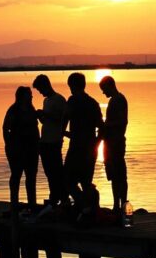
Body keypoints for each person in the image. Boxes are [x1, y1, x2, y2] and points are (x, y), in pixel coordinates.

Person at [63, 72, 103, 217]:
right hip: (90, 149)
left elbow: (65, 119)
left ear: (73, 86)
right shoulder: (93, 103)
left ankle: (83, 205)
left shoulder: (72, 101)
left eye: (70, 86)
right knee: (86, 182)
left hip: (76, 148)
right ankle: (87, 208)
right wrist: (96, 144)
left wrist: (61, 132)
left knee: (67, 180)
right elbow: (101, 127)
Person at [3, 86, 40, 215]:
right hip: (17, 149)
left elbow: (35, 129)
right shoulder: (13, 110)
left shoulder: (31, 109)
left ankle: (32, 205)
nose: (31, 96)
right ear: (22, 96)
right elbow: (5, 128)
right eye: (29, 94)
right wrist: (9, 145)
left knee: (31, 177)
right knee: (16, 176)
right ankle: (14, 204)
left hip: (32, 149)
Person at [33, 74, 68, 208]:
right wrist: (40, 116)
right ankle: (54, 197)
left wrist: (45, 114)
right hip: (45, 141)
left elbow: (61, 119)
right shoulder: (46, 101)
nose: (40, 92)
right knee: (49, 172)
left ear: (46, 85)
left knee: (57, 171)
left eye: (40, 89)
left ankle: (62, 198)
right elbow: (46, 121)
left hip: (54, 141)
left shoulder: (59, 99)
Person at [99, 75, 128, 215]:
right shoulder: (114, 100)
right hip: (110, 143)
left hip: (116, 143)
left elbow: (122, 121)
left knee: (119, 175)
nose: (103, 92)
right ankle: (116, 205)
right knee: (113, 175)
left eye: (104, 89)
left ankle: (122, 204)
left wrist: (106, 125)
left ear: (110, 86)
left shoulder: (119, 100)